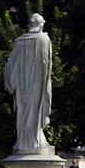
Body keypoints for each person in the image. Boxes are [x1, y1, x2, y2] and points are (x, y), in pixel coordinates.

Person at [4, 13, 52, 153]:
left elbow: (10, 64)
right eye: (42, 22)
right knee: (36, 110)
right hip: (38, 82)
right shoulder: (44, 39)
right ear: (40, 24)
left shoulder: (19, 41)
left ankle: (24, 141)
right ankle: (35, 139)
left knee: (23, 111)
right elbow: (47, 65)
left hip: (20, 84)